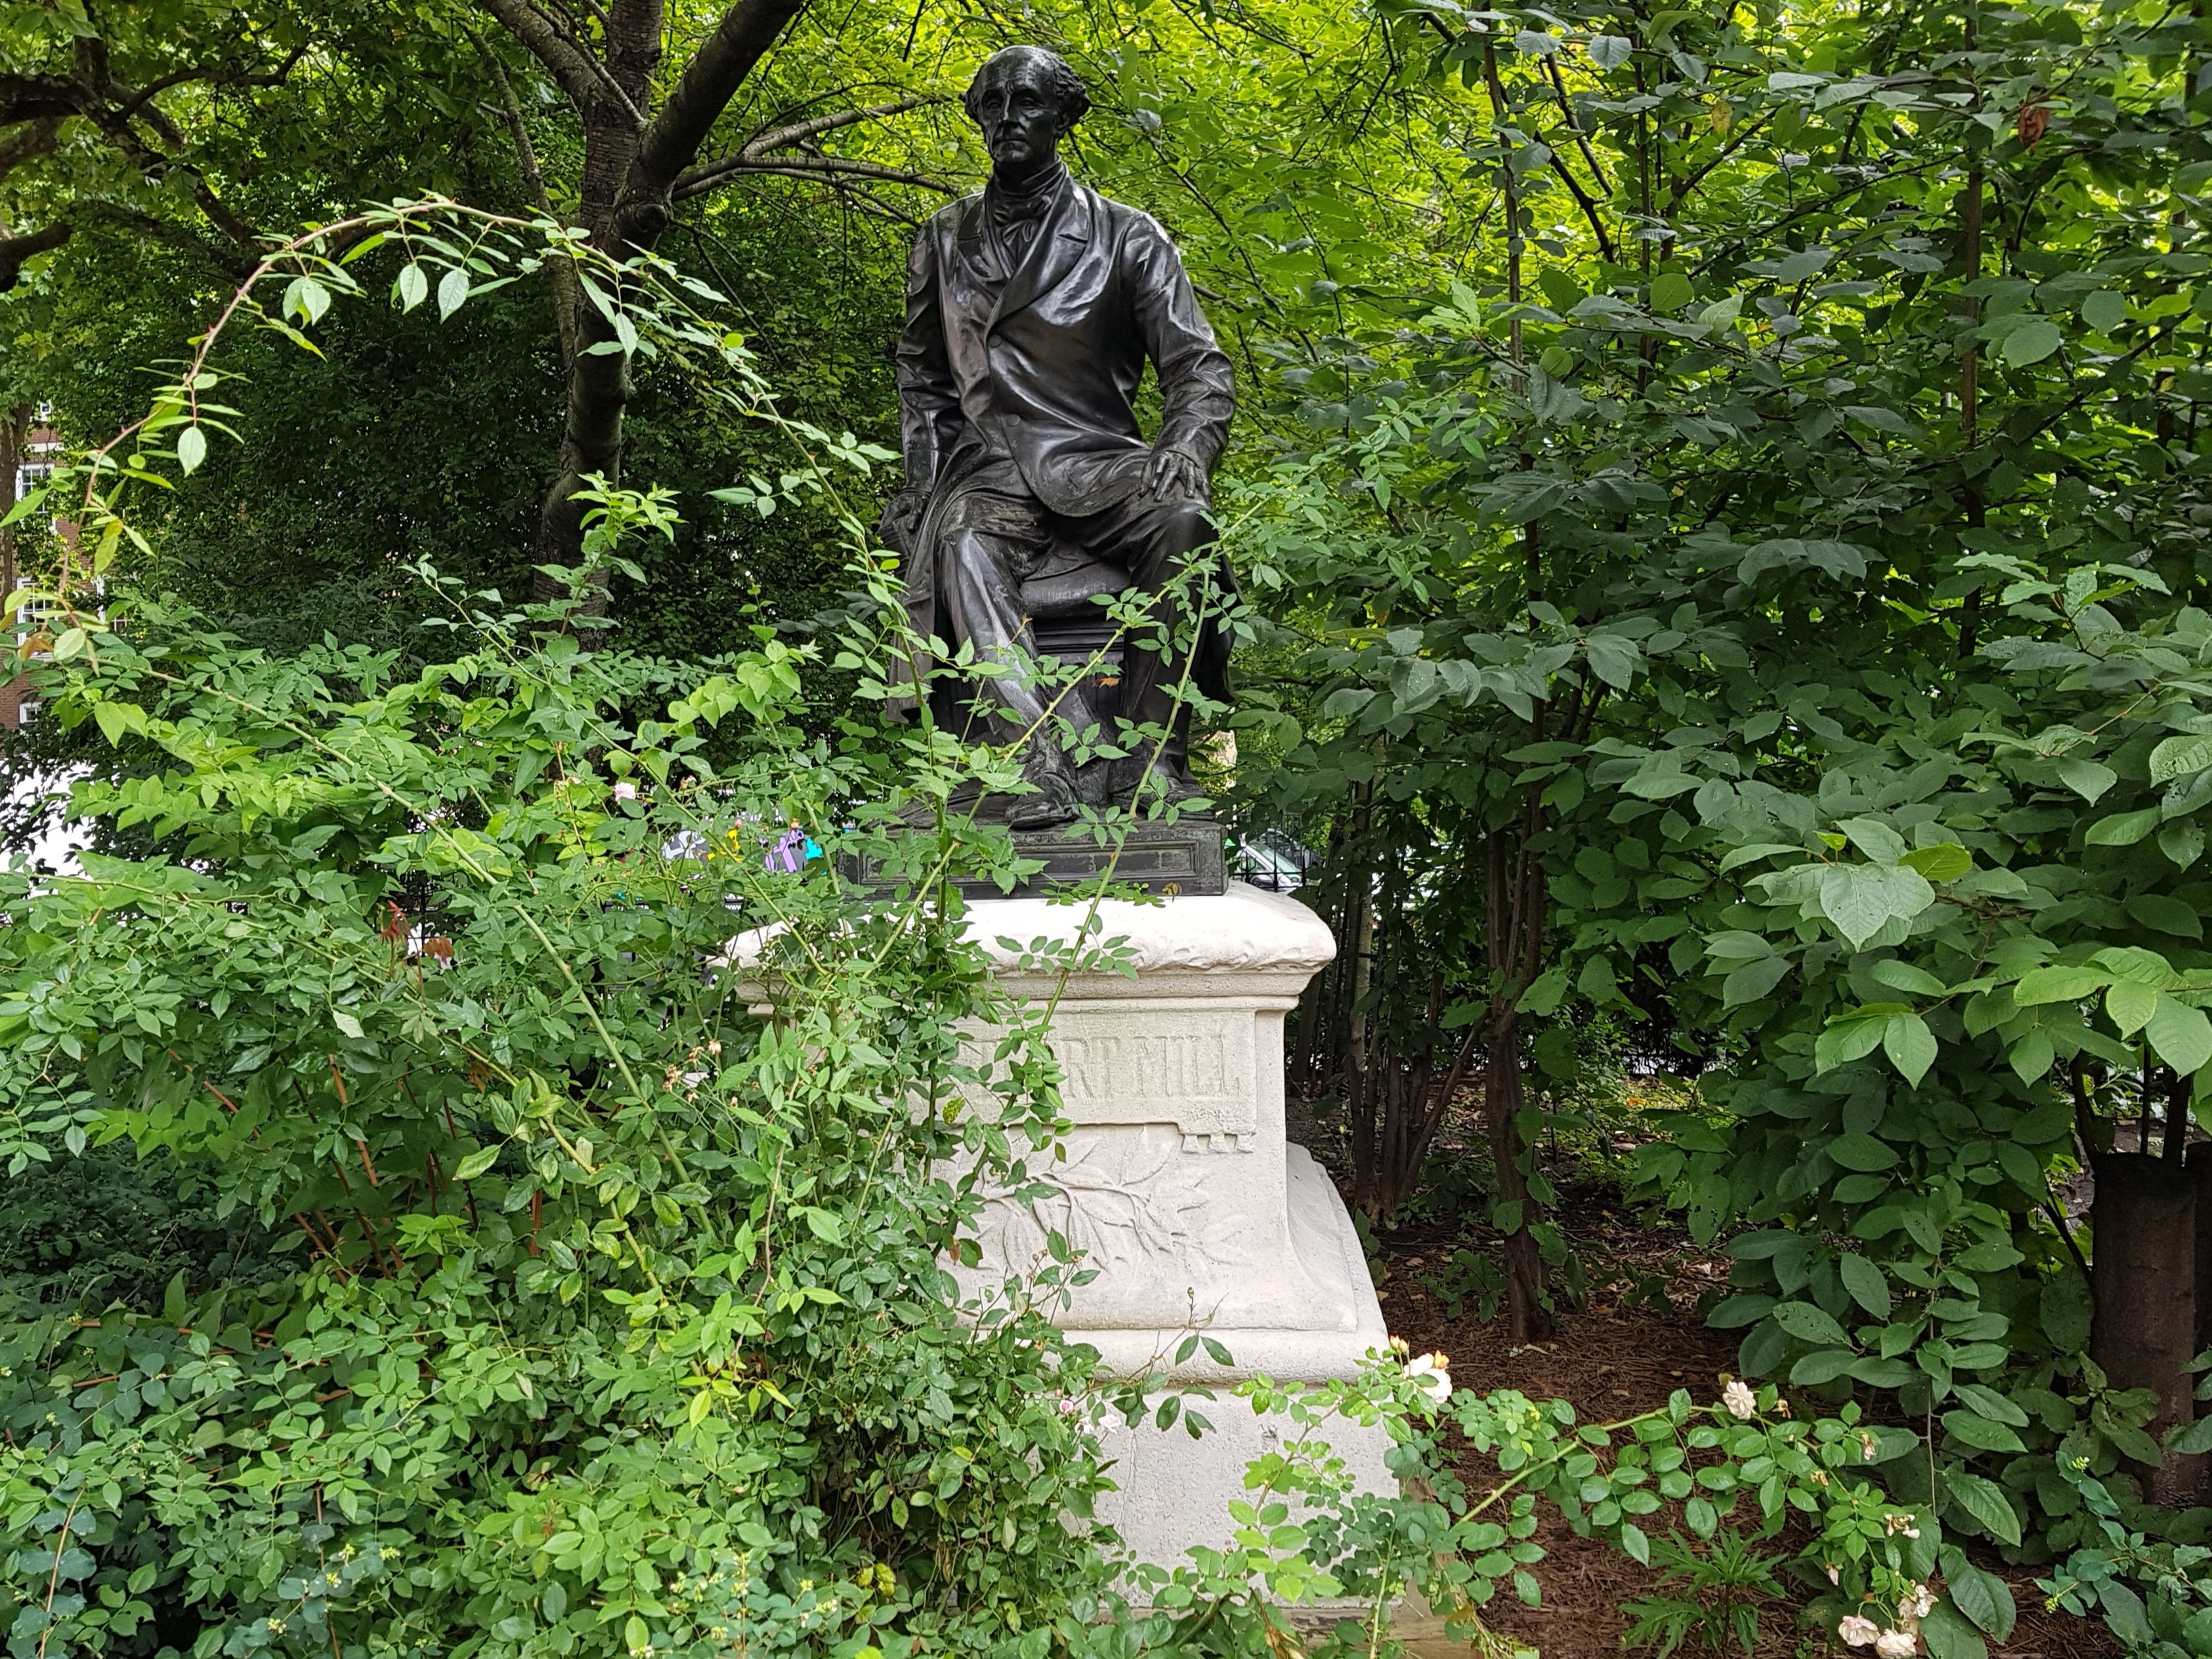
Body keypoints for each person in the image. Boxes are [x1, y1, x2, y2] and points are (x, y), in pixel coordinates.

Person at [880, 44, 1236, 829]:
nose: (1008, 118)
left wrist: (1184, 448)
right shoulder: (941, 238)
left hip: (1098, 459)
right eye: (993, 103)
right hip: (991, 468)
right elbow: (925, 379)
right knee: (962, 542)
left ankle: (1152, 763)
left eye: (1028, 102)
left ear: (1065, 116)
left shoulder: (1127, 235)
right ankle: (1032, 763)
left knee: (1184, 522)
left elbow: (1200, 368)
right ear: (977, 116)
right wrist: (918, 484)